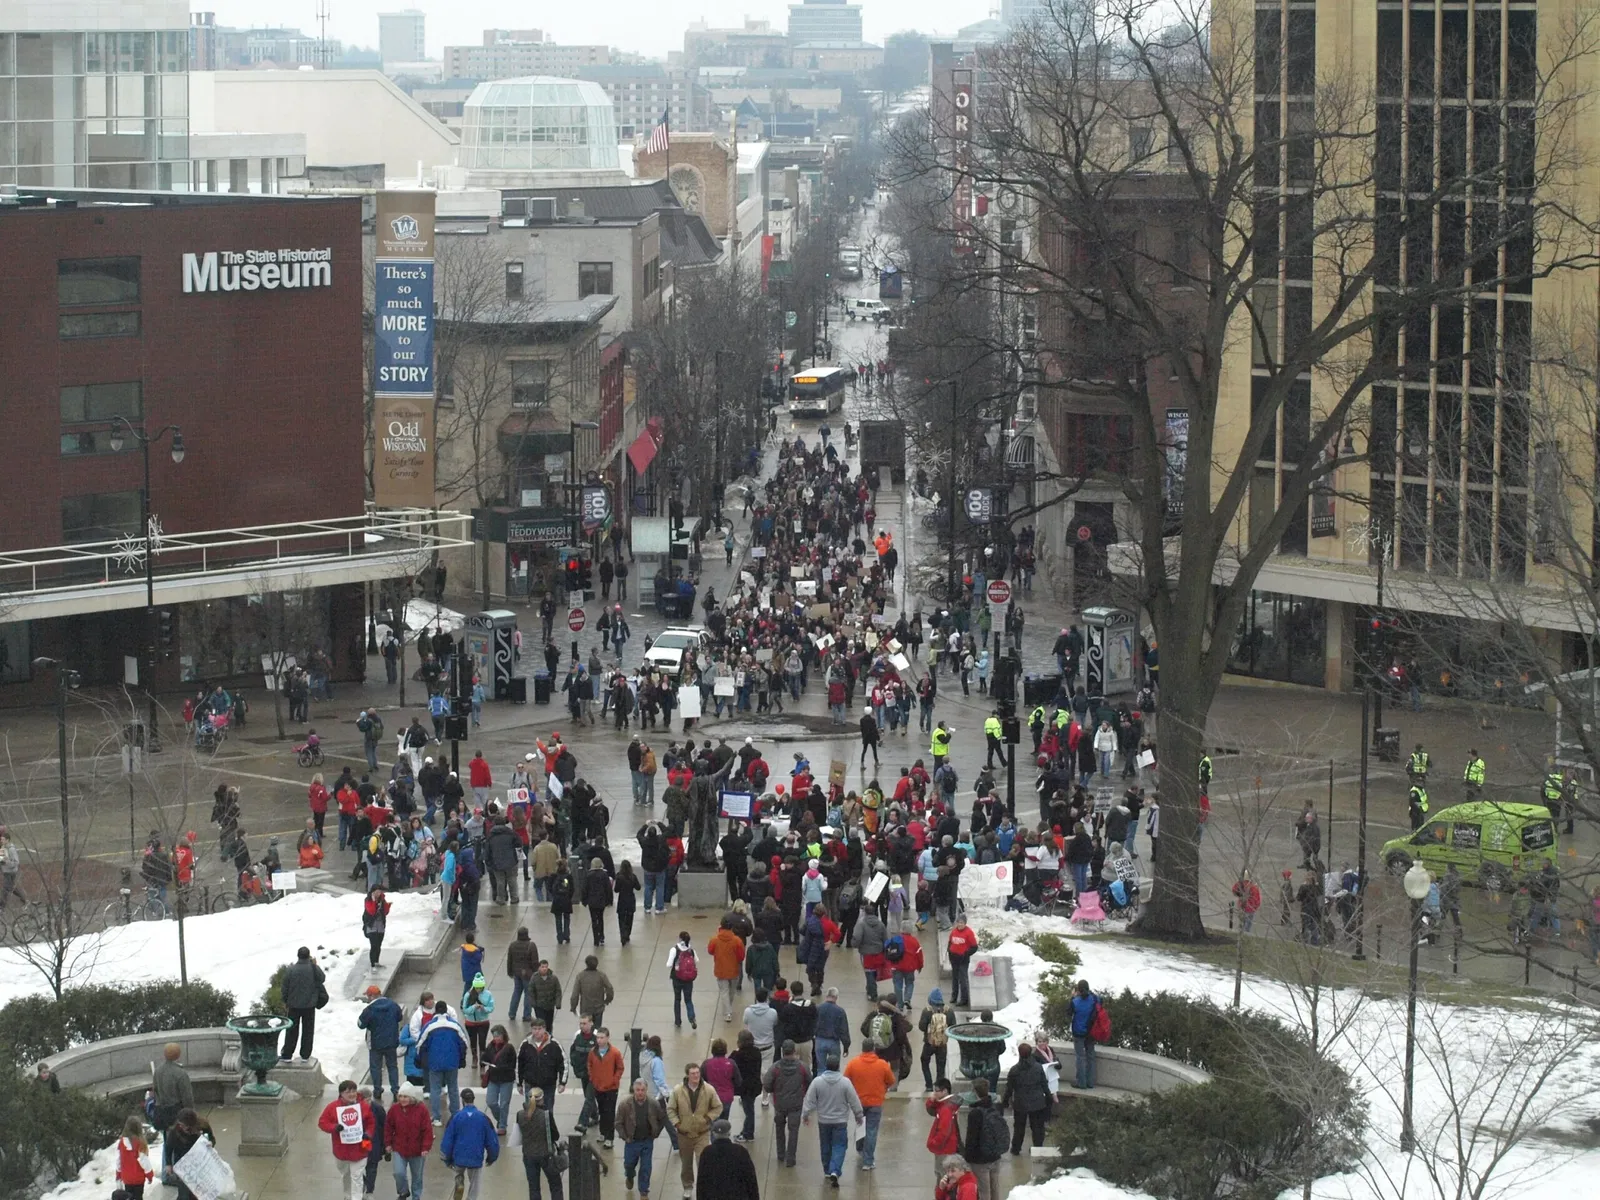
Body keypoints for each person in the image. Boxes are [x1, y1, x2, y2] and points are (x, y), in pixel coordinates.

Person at [800, 1051, 863, 1188]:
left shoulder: (817, 1082)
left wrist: (805, 1115)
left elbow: (809, 1100)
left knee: (825, 1145)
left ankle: (827, 1169)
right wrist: (859, 1116)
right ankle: (835, 1169)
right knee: (839, 1146)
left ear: (826, 1066)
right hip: (840, 1122)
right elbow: (854, 1101)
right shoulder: (845, 1083)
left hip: (823, 1121)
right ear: (838, 1066)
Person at [668, 1061, 725, 1200]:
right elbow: (670, 1109)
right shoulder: (678, 1091)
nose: (696, 1076)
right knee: (686, 1164)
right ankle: (687, 1187)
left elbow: (718, 1107)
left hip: (702, 1134)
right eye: (693, 1073)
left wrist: (707, 1119)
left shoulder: (709, 1089)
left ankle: (705, 1187)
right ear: (687, 1075)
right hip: (684, 1135)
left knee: (703, 1161)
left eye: (698, 1073)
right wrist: (677, 1124)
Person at [317, 1079, 377, 1200]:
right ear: (341, 1094)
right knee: (346, 1174)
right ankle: (347, 1195)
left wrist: (368, 1134)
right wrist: (334, 1127)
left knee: (357, 1176)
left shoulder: (363, 1106)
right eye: (348, 1091)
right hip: (341, 1150)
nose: (351, 1094)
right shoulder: (332, 1107)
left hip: (360, 1148)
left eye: (354, 1091)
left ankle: (356, 1197)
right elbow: (322, 1122)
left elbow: (371, 1122)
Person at [842, 1039, 896, 1169]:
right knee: (871, 1130)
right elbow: (891, 1081)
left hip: (858, 1102)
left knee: (861, 1127)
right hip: (875, 1102)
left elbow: (845, 1081)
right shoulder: (882, 1064)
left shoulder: (853, 1064)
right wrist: (883, 1089)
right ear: (874, 1049)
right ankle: (868, 1161)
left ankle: (860, 1149)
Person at [440, 1088, 500, 1200]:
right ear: (473, 1099)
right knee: (474, 1185)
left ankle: (459, 1183)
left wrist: (446, 1158)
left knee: (458, 1174)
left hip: (458, 1156)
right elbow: (492, 1141)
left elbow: (448, 1139)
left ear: (462, 1100)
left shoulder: (455, 1117)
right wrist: (492, 1157)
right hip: (475, 1157)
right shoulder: (483, 1118)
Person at [417, 1000, 468, 1123]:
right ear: (446, 1010)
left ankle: (436, 1117)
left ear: (435, 1010)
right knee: (453, 1088)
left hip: (434, 1064)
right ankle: (455, 1114)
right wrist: (461, 1059)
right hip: (452, 1063)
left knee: (435, 1090)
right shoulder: (455, 1025)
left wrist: (421, 1061)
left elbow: (420, 1046)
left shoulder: (429, 1026)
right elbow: (464, 1043)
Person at [763, 1039, 811, 1170]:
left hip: (780, 1104)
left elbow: (766, 1085)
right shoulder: (802, 1067)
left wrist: (775, 1091)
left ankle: (780, 1154)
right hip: (796, 1104)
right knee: (793, 1130)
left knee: (779, 1128)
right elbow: (809, 1081)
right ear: (794, 1051)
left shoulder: (775, 1067)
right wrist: (803, 1093)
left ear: (782, 1051)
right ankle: (791, 1158)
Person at [151, 1043, 195, 1183]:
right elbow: (187, 1099)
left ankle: (166, 1174)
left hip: (162, 1113)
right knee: (177, 1145)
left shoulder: (158, 1071)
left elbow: (155, 1090)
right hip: (177, 1115)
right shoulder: (181, 1074)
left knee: (167, 1143)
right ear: (178, 1055)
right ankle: (175, 1177)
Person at [618, 1077, 667, 1200]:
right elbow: (618, 1123)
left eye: (642, 1090)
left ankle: (644, 1191)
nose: (640, 1092)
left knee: (646, 1167)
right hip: (631, 1141)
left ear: (646, 1090)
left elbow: (662, 1119)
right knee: (629, 1165)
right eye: (637, 1090)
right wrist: (625, 1137)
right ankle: (629, 1176)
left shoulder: (653, 1104)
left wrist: (655, 1133)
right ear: (634, 1090)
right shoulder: (625, 1105)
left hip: (647, 1141)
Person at [1001, 1042, 1052, 1153]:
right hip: (1037, 1102)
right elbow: (1044, 1085)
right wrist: (1048, 1098)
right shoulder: (1038, 1068)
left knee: (1019, 1127)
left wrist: (1004, 1102)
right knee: (1038, 1128)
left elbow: (1009, 1088)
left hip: (1020, 1103)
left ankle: (1016, 1148)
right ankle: (1037, 1148)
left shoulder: (1014, 1070)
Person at [962, 1078, 1007, 1200]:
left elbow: (971, 1139)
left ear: (975, 1091)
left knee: (983, 1191)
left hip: (980, 1159)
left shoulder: (975, 1113)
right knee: (995, 1188)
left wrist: (967, 1158)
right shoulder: (996, 1107)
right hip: (995, 1155)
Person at [386, 1085, 434, 1200]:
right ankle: (403, 1191)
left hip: (417, 1150)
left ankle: (416, 1197)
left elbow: (427, 1130)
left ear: (412, 1097)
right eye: (400, 1096)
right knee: (399, 1173)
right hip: (399, 1148)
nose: (402, 1099)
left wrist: (425, 1147)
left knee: (417, 1177)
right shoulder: (394, 1109)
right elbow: (388, 1127)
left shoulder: (422, 1109)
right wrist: (388, 1143)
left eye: (405, 1096)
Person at [280, 945, 326, 1062]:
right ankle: (305, 1055)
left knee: (291, 1031)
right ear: (308, 956)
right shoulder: (313, 968)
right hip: (309, 1006)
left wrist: (285, 1001)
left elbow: (284, 987)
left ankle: (287, 1054)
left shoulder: (291, 970)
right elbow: (322, 978)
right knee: (308, 1031)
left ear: (298, 956)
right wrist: (315, 965)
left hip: (293, 1006)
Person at [357, 984, 403, 1102]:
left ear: (371, 996)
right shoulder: (393, 1005)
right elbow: (399, 1017)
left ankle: (377, 1090)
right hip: (391, 1042)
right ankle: (395, 1090)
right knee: (392, 1066)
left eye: (368, 996)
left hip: (375, 1044)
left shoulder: (369, 1009)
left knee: (375, 1068)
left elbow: (360, 1025)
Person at [518, 1087, 565, 1200]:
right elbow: (555, 1135)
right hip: (546, 1155)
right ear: (542, 1099)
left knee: (534, 1188)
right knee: (555, 1185)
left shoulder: (520, 1114)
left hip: (528, 1155)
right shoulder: (546, 1115)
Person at [696, 1118, 760, 1200]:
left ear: (714, 1134)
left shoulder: (707, 1152)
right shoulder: (740, 1151)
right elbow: (750, 1179)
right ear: (729, 1132)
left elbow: (701, 1180)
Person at [588, 1027, 626, 1149]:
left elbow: (620, 1068)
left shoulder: (615, 1052)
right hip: (598, 1087)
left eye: (602, 1037)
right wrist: (593, 1079)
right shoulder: (593, 1052)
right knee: (602, 1111)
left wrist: (614, 1080)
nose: (599, 1040)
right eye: (597, 1037)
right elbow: (589, 1065)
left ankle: (609, 1137)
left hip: (611, 1089)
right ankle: (603, 1133)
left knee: (609, 1113)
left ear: (607, 1038)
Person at [163, 1111, 216, 1200]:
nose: (182, 1127)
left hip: (199, 1163)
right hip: (182, 1164)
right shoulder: (174, 1132)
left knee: (198, 1191)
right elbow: (168, 1148)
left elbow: (212, 1138)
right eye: (180, 1124)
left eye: (185, 1125)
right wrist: (168, 1164)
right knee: (184, 1192)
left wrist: (211, 1142)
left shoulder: (203, 1126)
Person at [925, 1079, 964, 1179]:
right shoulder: (947, 1105)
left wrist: (933, 1143)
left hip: (944, 1149)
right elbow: (933, 1109)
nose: (934, 1093)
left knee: (942, 1175)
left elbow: (944, 1132)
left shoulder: (946, 1109)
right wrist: (931, 1101)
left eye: (936, 1091)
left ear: (945, 1091)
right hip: (948, 1148)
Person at [709, 923, 747, 1023]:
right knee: (731, 991)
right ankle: (728, 1008)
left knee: (724, 991)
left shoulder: (715, 939)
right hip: (734, 970)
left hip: (720, 969)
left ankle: (728, 1011)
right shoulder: (737, 940)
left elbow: (710, 950)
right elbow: (741, 956)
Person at [484, 1025, 518, 1135]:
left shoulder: (509, 1048)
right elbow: (485, 1058)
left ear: (503, 1035)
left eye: (498, 1036)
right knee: (491, 1102)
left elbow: (512, 1064)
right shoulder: (490, 1046)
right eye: (494, 1036)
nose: (496, 1038)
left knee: (504, 1103)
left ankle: (502, 1125)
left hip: (506, 1079)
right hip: (493, 1079)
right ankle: (500, 1119)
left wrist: (501, 1067)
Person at [1068, 979, 1101, 1090]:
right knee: (1091, 1056)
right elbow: (1100, 1003)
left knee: (1080, 1057)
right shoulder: (1094, 999)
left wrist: (1072, 997)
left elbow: (1068, 1013)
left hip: (1078, 1032)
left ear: (1078, 990)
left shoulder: (1075, 1002)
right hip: (1091, 1032)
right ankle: (1090, 1082)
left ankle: (1081, 1083)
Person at [569, 954, 615, 1028]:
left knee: (585, 1030)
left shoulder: (580, 976)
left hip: (585, 1009)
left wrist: (573, 1007)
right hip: (598, 1008)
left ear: (586, 964)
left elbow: (575, 994)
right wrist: (607, 1000)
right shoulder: (601, 975)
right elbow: (609, 988)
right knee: (597, 1030)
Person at [668, 931, 701, 1030]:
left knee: (677, 999)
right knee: (688, 1000)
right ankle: (692, 1019)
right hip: (688, 980)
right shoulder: (691, 950)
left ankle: (678, 1021)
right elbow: (697, 961)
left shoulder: (674, 949)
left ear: (679, 938)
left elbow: (669, 964)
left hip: (677, 978)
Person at [919, 989, 951, 1090]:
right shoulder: (948, 1011)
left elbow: (921, 1026)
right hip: (942, 1044)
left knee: (924, 1061)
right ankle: (939, 1087)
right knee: (941, 1067)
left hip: (929, 1043)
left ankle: (929, 1085)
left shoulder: (927, 1011)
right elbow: (952, 1026)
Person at [116, 1114, 154, 1200]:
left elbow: (118, 1160)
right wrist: (150, 1175)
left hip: (127, 1178)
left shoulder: (122, 1143)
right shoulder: (140, 1143)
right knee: (138, 1197)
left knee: (128, 1197)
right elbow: (144, 1161)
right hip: (138, 1179)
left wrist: (118, 1173)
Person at [506, 927, 539, 1022]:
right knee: (528, 994)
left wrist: (510, 972)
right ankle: (527, 1015)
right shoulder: (531, 945)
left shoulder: (512, 945)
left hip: (516, 973)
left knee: (516, 992)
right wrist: (536, 973)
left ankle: (512, 1013)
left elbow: (510, 960)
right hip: (528, 974)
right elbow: (535, 962)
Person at [946, 918, 978, 1008]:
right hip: (954, 958)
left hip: (963, 960)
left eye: (961, 923)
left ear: (965, 923)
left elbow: (974, 947)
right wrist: (949, 950)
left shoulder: (969, 933)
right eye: (958, 922)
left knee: (962, 979)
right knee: (954, 978)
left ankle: (964, 999)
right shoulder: (954, 931)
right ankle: (954, 996)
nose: (960, 924)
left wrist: (966, 953)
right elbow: (950, 942)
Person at [363, 886, 391, 968]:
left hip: (380, 926)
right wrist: (374, 901)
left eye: (380, 892)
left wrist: (387, 906)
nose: (379, 894)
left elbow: (385, 912)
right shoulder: (368, 900)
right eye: (377, 892)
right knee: (374, 945)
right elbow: (371, 911)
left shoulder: (382, 899)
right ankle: (372, 964)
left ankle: (376, 962)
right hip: (371, 926)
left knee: (379, 945)